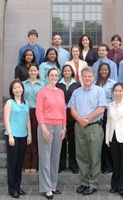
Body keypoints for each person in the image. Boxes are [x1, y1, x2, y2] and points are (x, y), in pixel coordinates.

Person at [68, 67, 108, 195]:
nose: (87, 79)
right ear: (81, 77)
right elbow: (72, 108)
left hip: (94, 127)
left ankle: (93, 183)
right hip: (79, 127)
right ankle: (84, 181)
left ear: (93, 77)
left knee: (94, 157)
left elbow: (101, 109)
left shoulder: (99, 91)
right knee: (81, 156)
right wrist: (80, 119)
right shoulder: (76, 92)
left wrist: (88, 118)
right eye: (85, 76)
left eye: (89, 76)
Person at [36, 68, 66, 199]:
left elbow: (64, 110)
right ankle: (46, 187)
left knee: (55, 157)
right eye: (51, 75)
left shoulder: (60, 92)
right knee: (45, 157)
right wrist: (43, 129)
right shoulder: (42, 92)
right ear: (47, 77)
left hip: (59, 126)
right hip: (46, 126)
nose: (54, 77)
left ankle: (53, 185)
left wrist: (64, 127)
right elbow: (38, 111)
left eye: (56, 75)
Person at [4, 80, 32, 198]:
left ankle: (18, 186)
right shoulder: (9, 103)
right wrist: (10, 135)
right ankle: (12, 189)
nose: (17, 90)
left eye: (19, 87)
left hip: (23, 136)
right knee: (12, 163)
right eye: (15, 88)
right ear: (12, 90)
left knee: (19, 163)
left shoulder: (26, 103)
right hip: (12, 136)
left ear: (22, 89)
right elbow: (6, 119)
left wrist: (29, 134)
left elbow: (28, 120)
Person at [56, 64, 81, 174]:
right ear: (62, 72)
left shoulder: (77, 84)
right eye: (65, 70)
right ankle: (61, 164)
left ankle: (73, 164)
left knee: (72, 141)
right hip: (60, 115)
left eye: (69, 71)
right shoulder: (58, 84)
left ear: (72, 72)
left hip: (72, 115)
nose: (67, 72)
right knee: (61, 140)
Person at [23, 63, 45, 174]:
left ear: (38, 72)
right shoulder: (23, 84)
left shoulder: (42, 84)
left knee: (36, 138)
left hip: (38, 112)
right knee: (27, 137)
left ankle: (35, 164)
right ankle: (27, 164)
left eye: (35, 71)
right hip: (25, 113)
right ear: (28, 72)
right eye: (31, 71)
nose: (33, 73)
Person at [95, 62, 116, 174]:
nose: (104, 72)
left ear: (109, 71)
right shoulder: (95, 84)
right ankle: (100, 165)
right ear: (99, 71)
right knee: (99, 140)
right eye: (102, 70)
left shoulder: (113, 84)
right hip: (97, 115)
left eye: (106, 70)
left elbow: (114, 101)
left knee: (107, 140)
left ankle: (108, 166)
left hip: (108, 113)